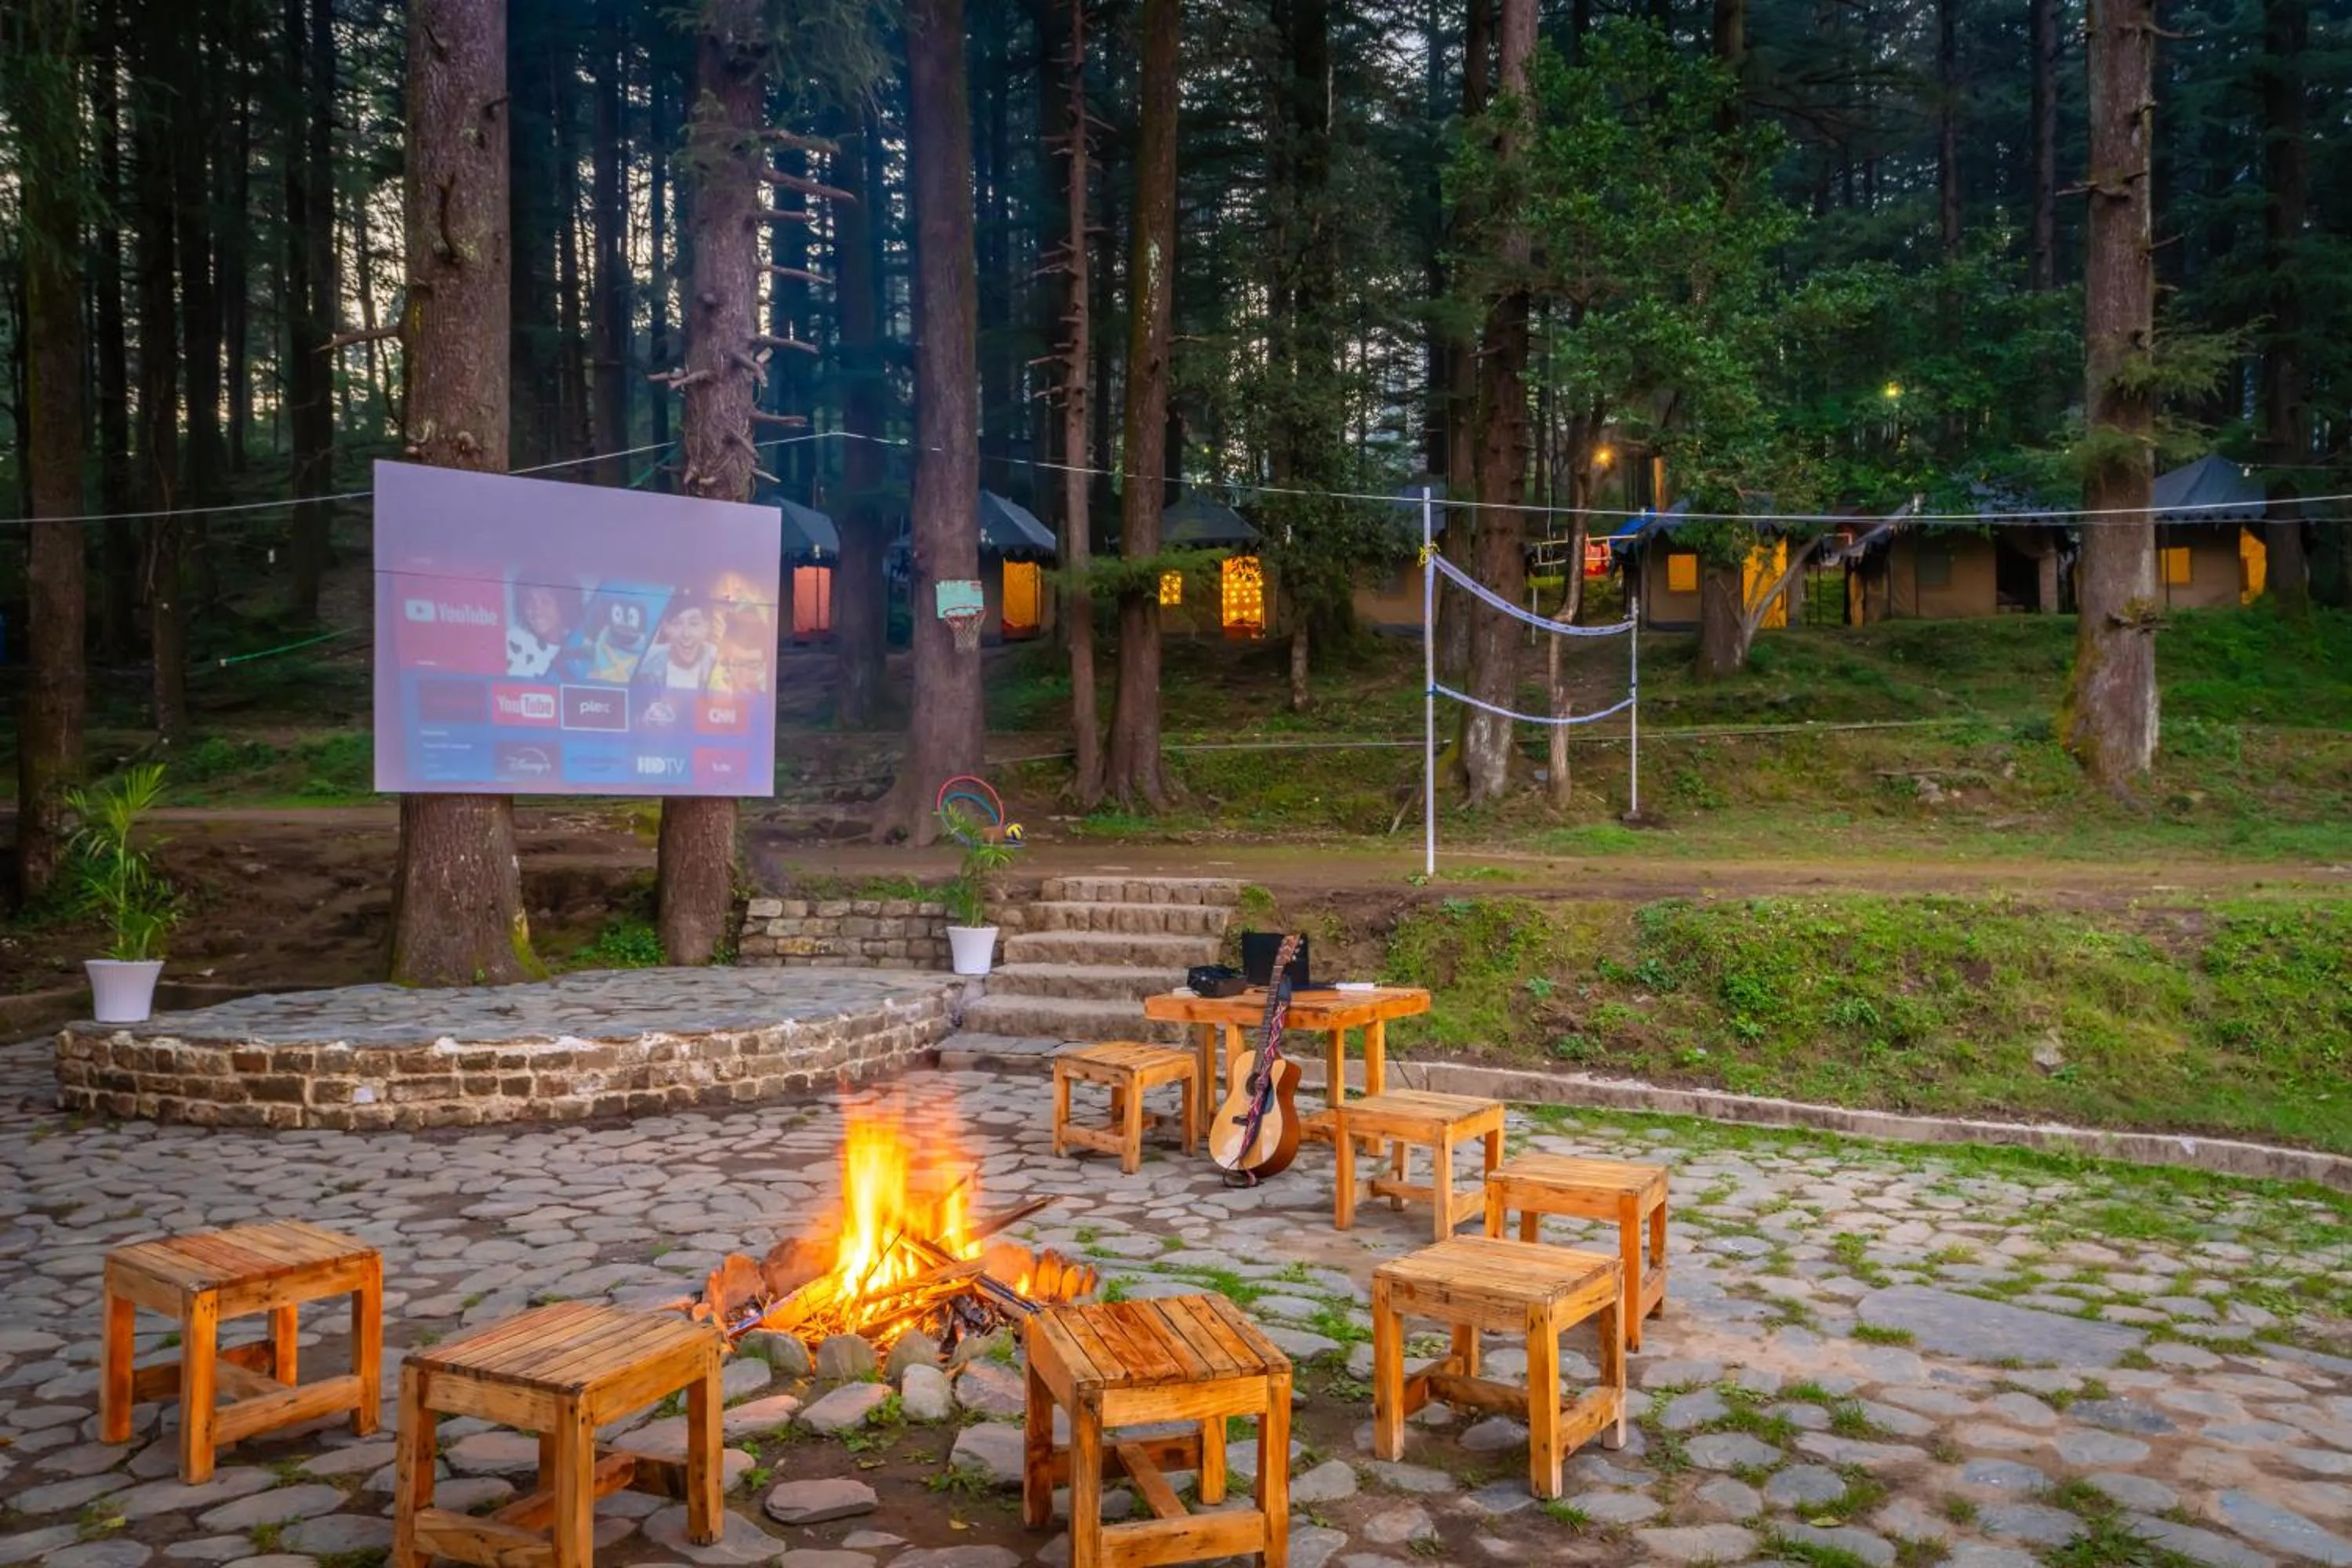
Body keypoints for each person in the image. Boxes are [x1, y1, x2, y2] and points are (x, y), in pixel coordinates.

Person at [633, 592, 717, 697]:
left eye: (694, 624)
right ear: (665, 627)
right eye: (677, 624)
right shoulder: (643, 662)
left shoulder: (720, 662)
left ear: (707, 627)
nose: (686, 634)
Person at [506, 580, 578, 677]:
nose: (537, 610)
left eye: (546, 602)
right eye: (530, 601)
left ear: (563, 606)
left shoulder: (579, 643)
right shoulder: (512, 640)